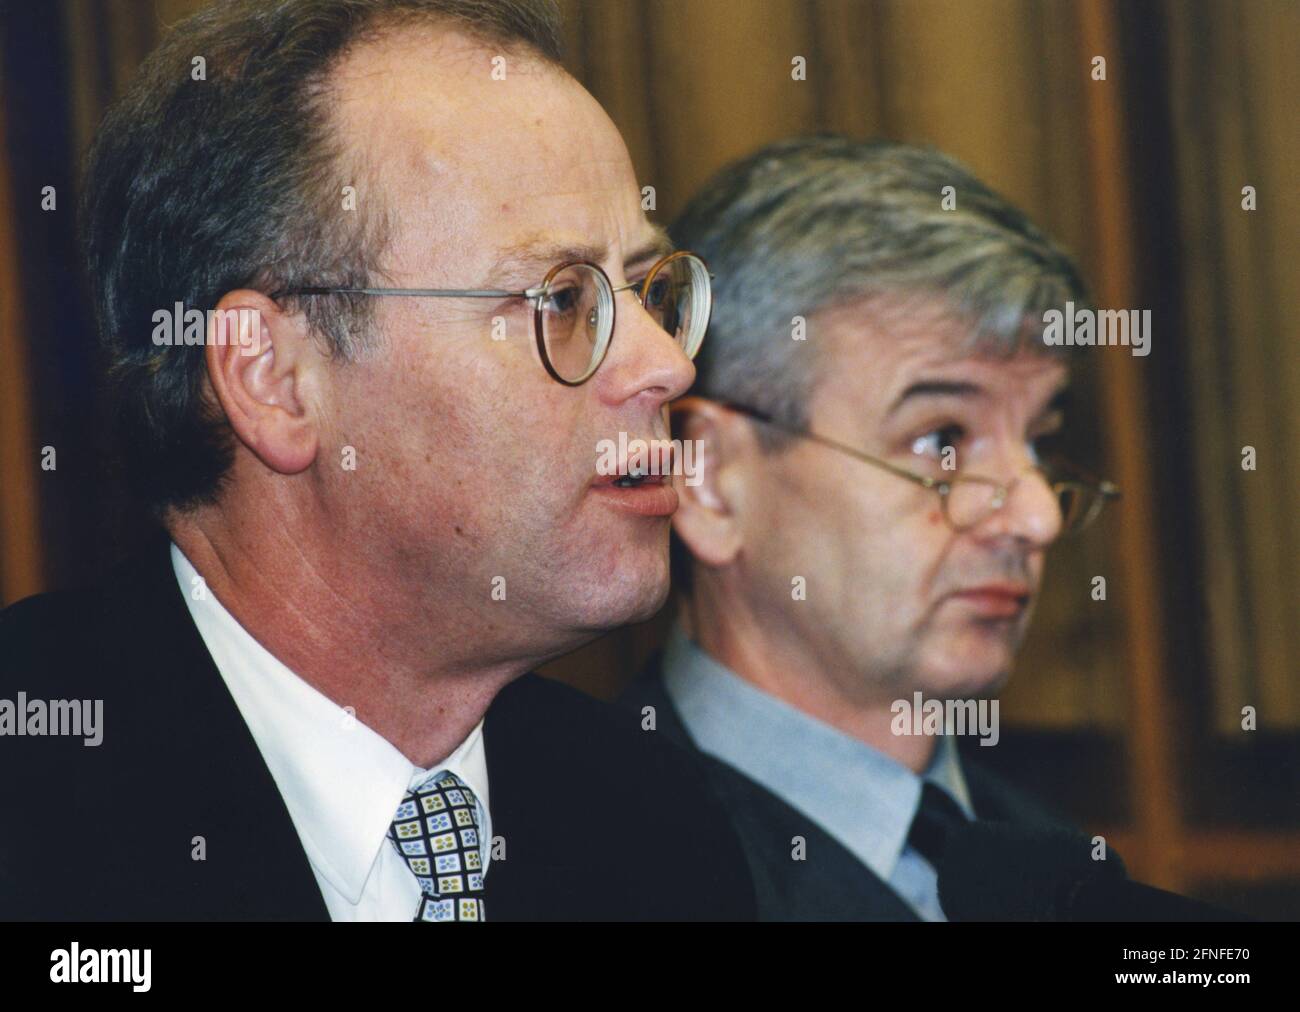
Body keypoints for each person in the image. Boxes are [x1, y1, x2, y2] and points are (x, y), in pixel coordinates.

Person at [0, 0, 752, 922]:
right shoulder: (35, 803)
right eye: (560, 297)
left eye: (645, 290)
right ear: (274, 377)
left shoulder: (651, 827)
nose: (665, 365)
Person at [623, 135, 1120, 921]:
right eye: (943, 441)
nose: (1037, 516)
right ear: (709, 480)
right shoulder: (583, 864)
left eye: (1039, 444)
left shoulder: (1063, 869)